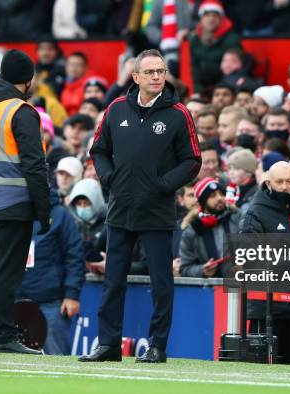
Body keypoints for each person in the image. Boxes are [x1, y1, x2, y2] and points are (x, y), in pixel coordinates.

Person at [81, 49, 201, 363]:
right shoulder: (116, 108)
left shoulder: (179, 113)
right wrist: (108, 178)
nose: (157, 77)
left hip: (158, 211)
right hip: (120, 209)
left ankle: (158, 346)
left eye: (161, 71)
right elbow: (99, 150)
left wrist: (162, 185)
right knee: (112, 281)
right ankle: (107, 345)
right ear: (135, 77)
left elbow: (192, 161)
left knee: (161, 283)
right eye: (150, 72)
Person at [0, 49, 51, 355]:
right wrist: (43, 210)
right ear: (28, 80)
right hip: (14, 203)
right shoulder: (21, 111)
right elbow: (34, 164)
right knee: (7, 273)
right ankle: (3, 337)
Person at [17, 188, 86, 355]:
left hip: (50, 303)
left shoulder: (60, 215)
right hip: (15, 302)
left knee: (56, 360)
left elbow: (75, 255)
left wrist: (72, 295)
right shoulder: (12, 213)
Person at [179, 178, 240, 278]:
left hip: (241, 287)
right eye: (213, 196)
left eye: (221, 194)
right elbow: (184, 268)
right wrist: (202, 270)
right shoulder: (192, 230)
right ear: (202, 202)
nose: (219, 198)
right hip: (212, 291)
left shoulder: (238, 219)